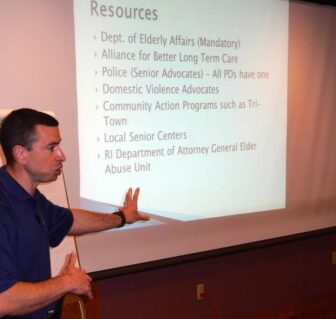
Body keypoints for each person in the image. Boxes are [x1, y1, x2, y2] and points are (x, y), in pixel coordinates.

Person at [0, 108, 149, 318]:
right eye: (52, 148)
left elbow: (68, 220)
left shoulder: (29, 196)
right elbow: (3, 300)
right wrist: (65, 282)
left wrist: (122, 217)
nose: (62, 155)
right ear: (21, 154)